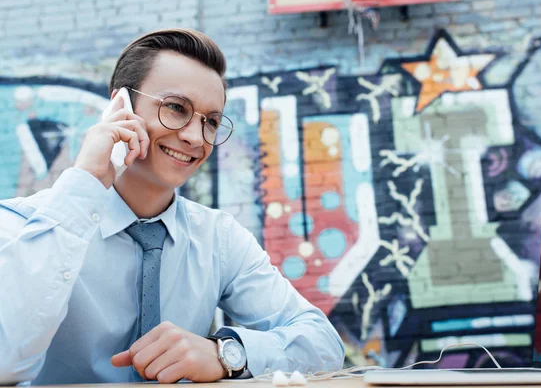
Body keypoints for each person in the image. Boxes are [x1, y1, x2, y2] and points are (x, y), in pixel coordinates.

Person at [0, 28, 344, 385]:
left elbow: (323, 343)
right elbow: (5, 359)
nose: (196, 138)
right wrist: (85, 178)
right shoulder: (19, 224)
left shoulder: (217, 238)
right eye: (176, 108)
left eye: (210, 121)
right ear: (121, 106)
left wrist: (225, 353)